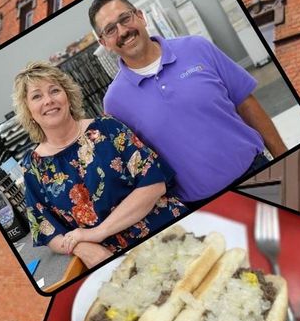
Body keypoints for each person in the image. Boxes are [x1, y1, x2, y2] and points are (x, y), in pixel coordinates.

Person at [88, 0, 288, 207]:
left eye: (125, 18)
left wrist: (286, 161)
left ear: (140, 16)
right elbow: (142, 168)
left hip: (258, 173)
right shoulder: (115, 102)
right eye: (110, 29)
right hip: (202, 205)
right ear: (104, 42)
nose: (123, 31)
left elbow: (246, 103)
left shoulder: (196, 48)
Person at [14, 61, 186, 268]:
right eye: (37, 96)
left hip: (166, 232)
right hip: (110, 261)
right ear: (29, 111)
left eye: (54, 91)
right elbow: (47, 230)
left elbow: (154, 184)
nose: (49, 100)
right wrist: (80, 246)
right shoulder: (32, 167)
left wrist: (96, 233)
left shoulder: (107, 128)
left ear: (67, 96)